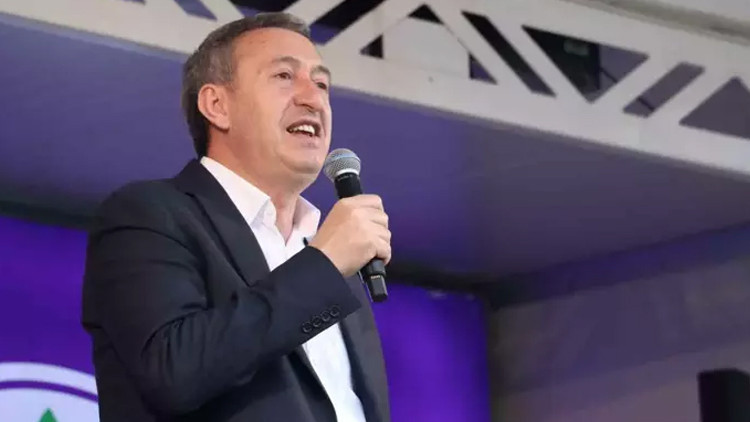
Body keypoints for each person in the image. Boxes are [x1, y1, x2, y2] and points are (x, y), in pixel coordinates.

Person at [81, 12, 392, 422]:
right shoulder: (149, 215)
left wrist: (327, 263)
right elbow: (174, 371)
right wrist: (324, 264)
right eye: (284, 76)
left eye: (321, 84)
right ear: (217, 105)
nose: (313, 99)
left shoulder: (336, 266)